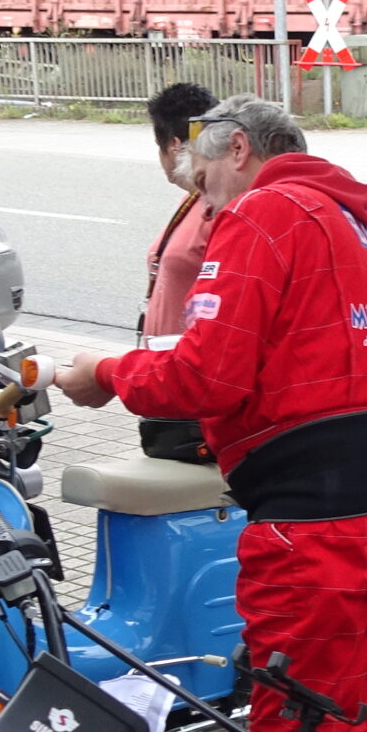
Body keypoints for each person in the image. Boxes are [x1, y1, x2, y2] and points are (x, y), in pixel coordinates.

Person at [52, 96, 367, 732]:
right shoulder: (361, 231)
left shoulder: (264, 210)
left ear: (237, 148)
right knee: (342, 704)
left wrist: (107, 373)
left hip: (318, 525)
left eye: (205, 185)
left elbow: (207, 375)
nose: (207, 207)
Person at [136, 80, 220, 463]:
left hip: (194, 392)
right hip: (167, 381)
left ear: (172, 145)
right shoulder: (193, 202)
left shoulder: (220, 207)